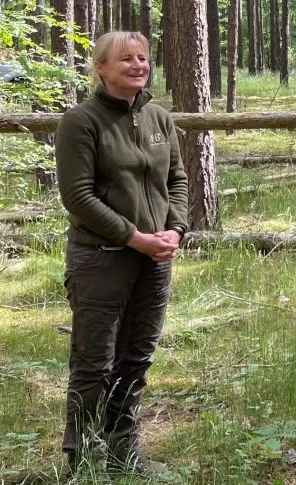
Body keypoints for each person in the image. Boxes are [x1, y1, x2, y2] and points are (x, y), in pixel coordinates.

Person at [55, 31, 188, 476]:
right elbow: (78, 197)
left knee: (137, 357)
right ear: (101, 68)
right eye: (125, 59)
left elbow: (178, 181)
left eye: (143, 58)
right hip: (100, 258)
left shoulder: (159, 118)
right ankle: (83, 458)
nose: (137, 66)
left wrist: (175, 230)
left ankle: (122, 449)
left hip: (155, 260)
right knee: (95, 361)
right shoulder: (81, 121)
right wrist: (135, 237)